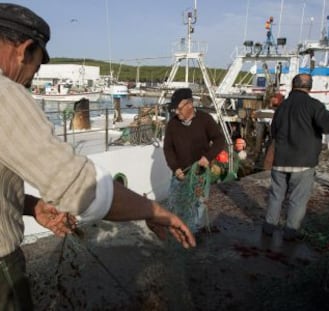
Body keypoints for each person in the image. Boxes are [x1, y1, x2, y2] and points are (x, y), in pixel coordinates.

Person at [0, 4, 195, 309]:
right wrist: (156, 211)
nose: (27, 83)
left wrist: (32, 205)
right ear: (24, 50)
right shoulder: (5, 94)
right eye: (34, 71)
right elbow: (81, 189)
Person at [262, 73, 329, 240]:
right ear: (310, 87)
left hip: (280, 161)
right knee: (297, 200)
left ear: (293, 85)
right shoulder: (314, 105)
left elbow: (274, 131)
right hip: (303, 162)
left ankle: (269, 227)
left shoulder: (282, 107)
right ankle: (290, 232)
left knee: (276, 196)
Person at [163, 88, 225, 233]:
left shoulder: (205, 120)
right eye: (175, 109)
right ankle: (177, 231)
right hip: (179, 175)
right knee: (177, 205)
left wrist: (207, 157)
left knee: (198, 206)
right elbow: (168, 149)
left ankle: (193, 234)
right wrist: (175, 168)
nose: (177, 112)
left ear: (190, 104)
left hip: (199, 175)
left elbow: (219, 140)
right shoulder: (172, 124)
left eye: (179, 108)